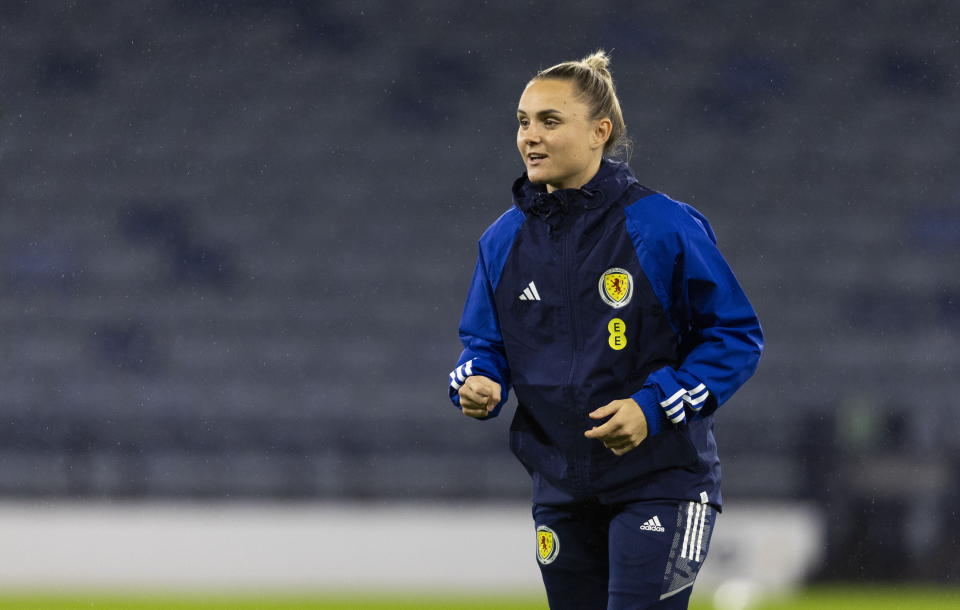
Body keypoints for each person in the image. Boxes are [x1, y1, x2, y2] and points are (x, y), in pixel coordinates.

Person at [447, 50, 763, 609]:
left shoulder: (662, 225)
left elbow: (733, 336)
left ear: (600, 131)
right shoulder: (501, 240)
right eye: (523, 122)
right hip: (561, 487)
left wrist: (651, 406)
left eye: (550, 121)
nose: (530, 138)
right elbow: (484, 344)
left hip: (663, 482)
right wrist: (476, 380)